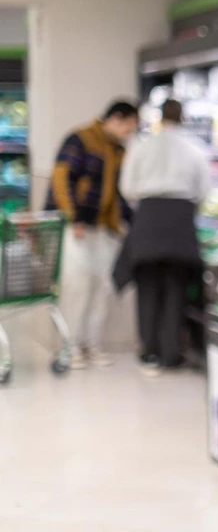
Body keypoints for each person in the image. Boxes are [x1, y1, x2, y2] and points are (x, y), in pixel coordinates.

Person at [113, 99, 209, 376]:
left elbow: (127, 188)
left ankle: (149, 352)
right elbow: (204, 190)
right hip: (180, 221)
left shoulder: (142, 146)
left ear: (160, 117)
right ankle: (171, 354)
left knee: (147, 288)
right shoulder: (194, 148)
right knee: (176, 288)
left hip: (148, 219)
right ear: (183, 117)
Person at [46, 101, 139, 369]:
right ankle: (69, 346)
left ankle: (91, 344)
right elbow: (61, 178)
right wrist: (73, 216)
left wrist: (129, 222)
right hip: (76, 227)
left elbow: (119, 193)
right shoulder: (80, 139)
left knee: (103, 286)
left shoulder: (119, 151)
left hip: (104, 229)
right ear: (115, 118)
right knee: (76, 286)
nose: (128, 133)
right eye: (127, 127)